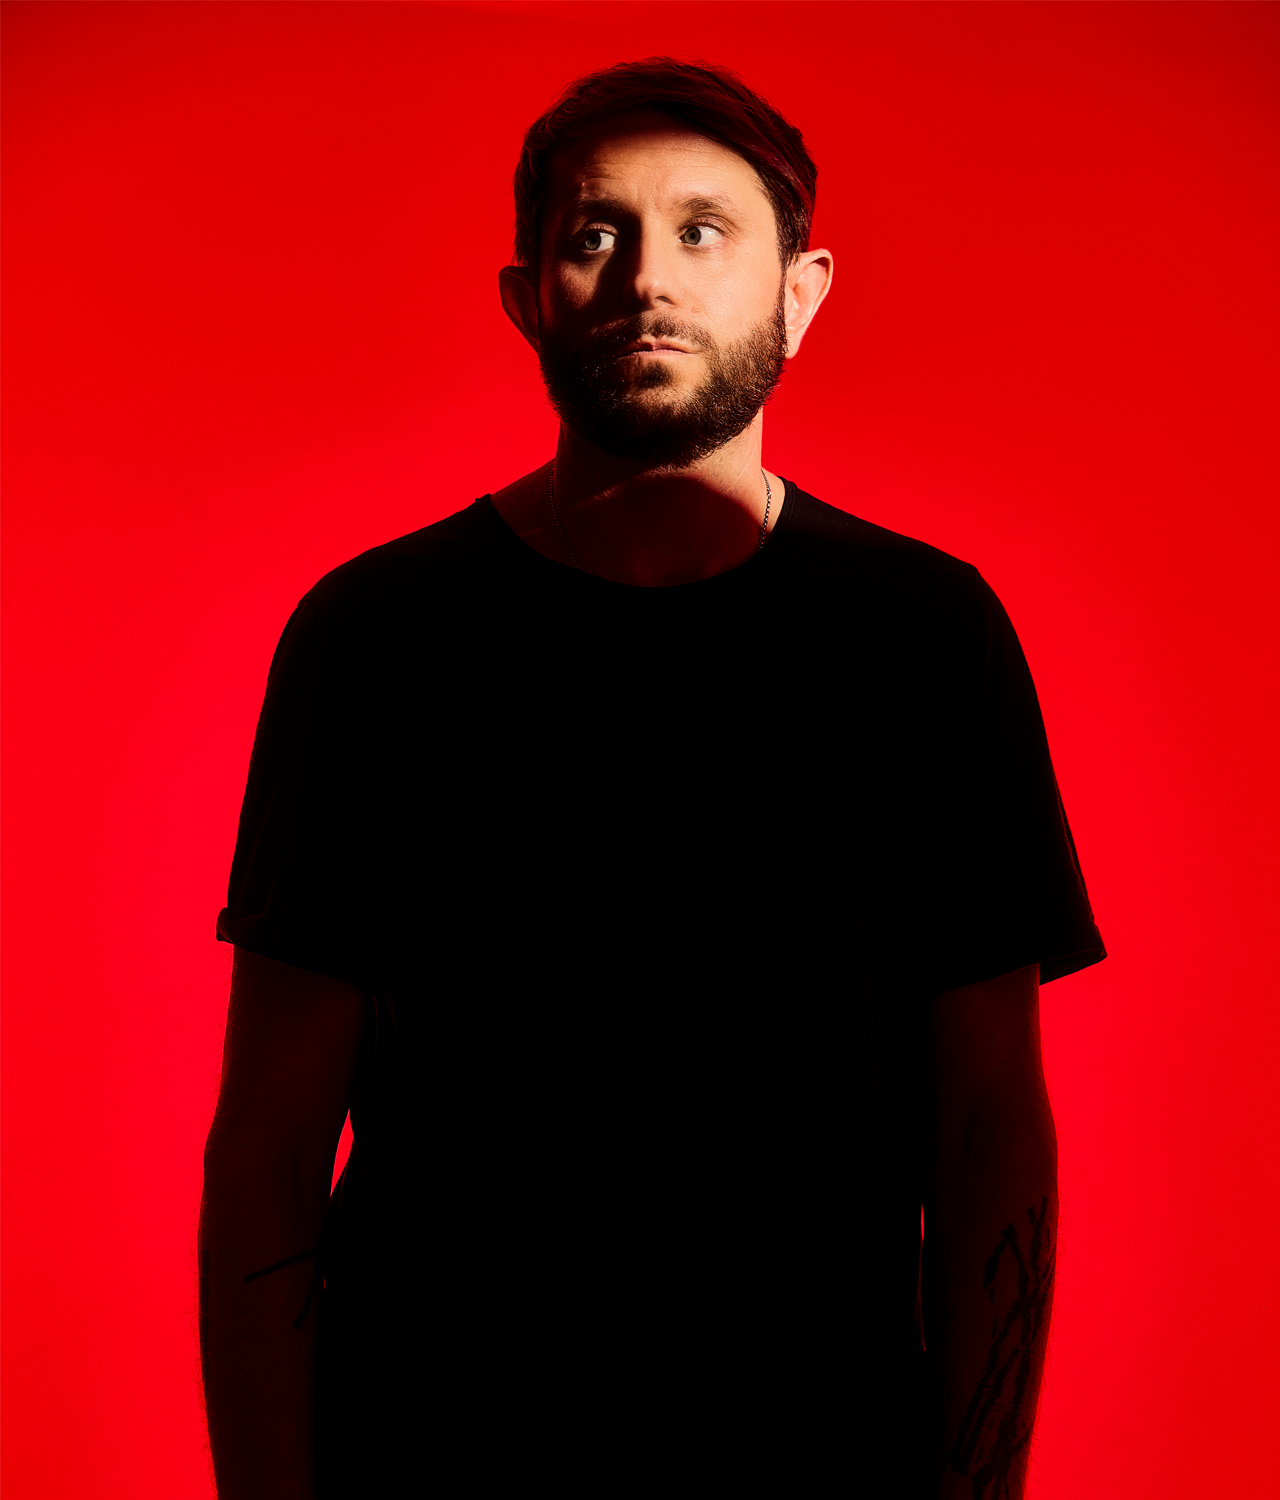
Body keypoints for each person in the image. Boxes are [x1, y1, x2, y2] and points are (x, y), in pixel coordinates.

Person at [199, 57, 1104, 1500]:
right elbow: (271, 1134)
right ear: (524, 296)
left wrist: (978, 1484)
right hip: (434, 1453)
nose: (643, 279)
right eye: (595, 232)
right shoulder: (375, 639)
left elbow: (991, 1117)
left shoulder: (929, 636)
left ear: (802, 293)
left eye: (701, 229)